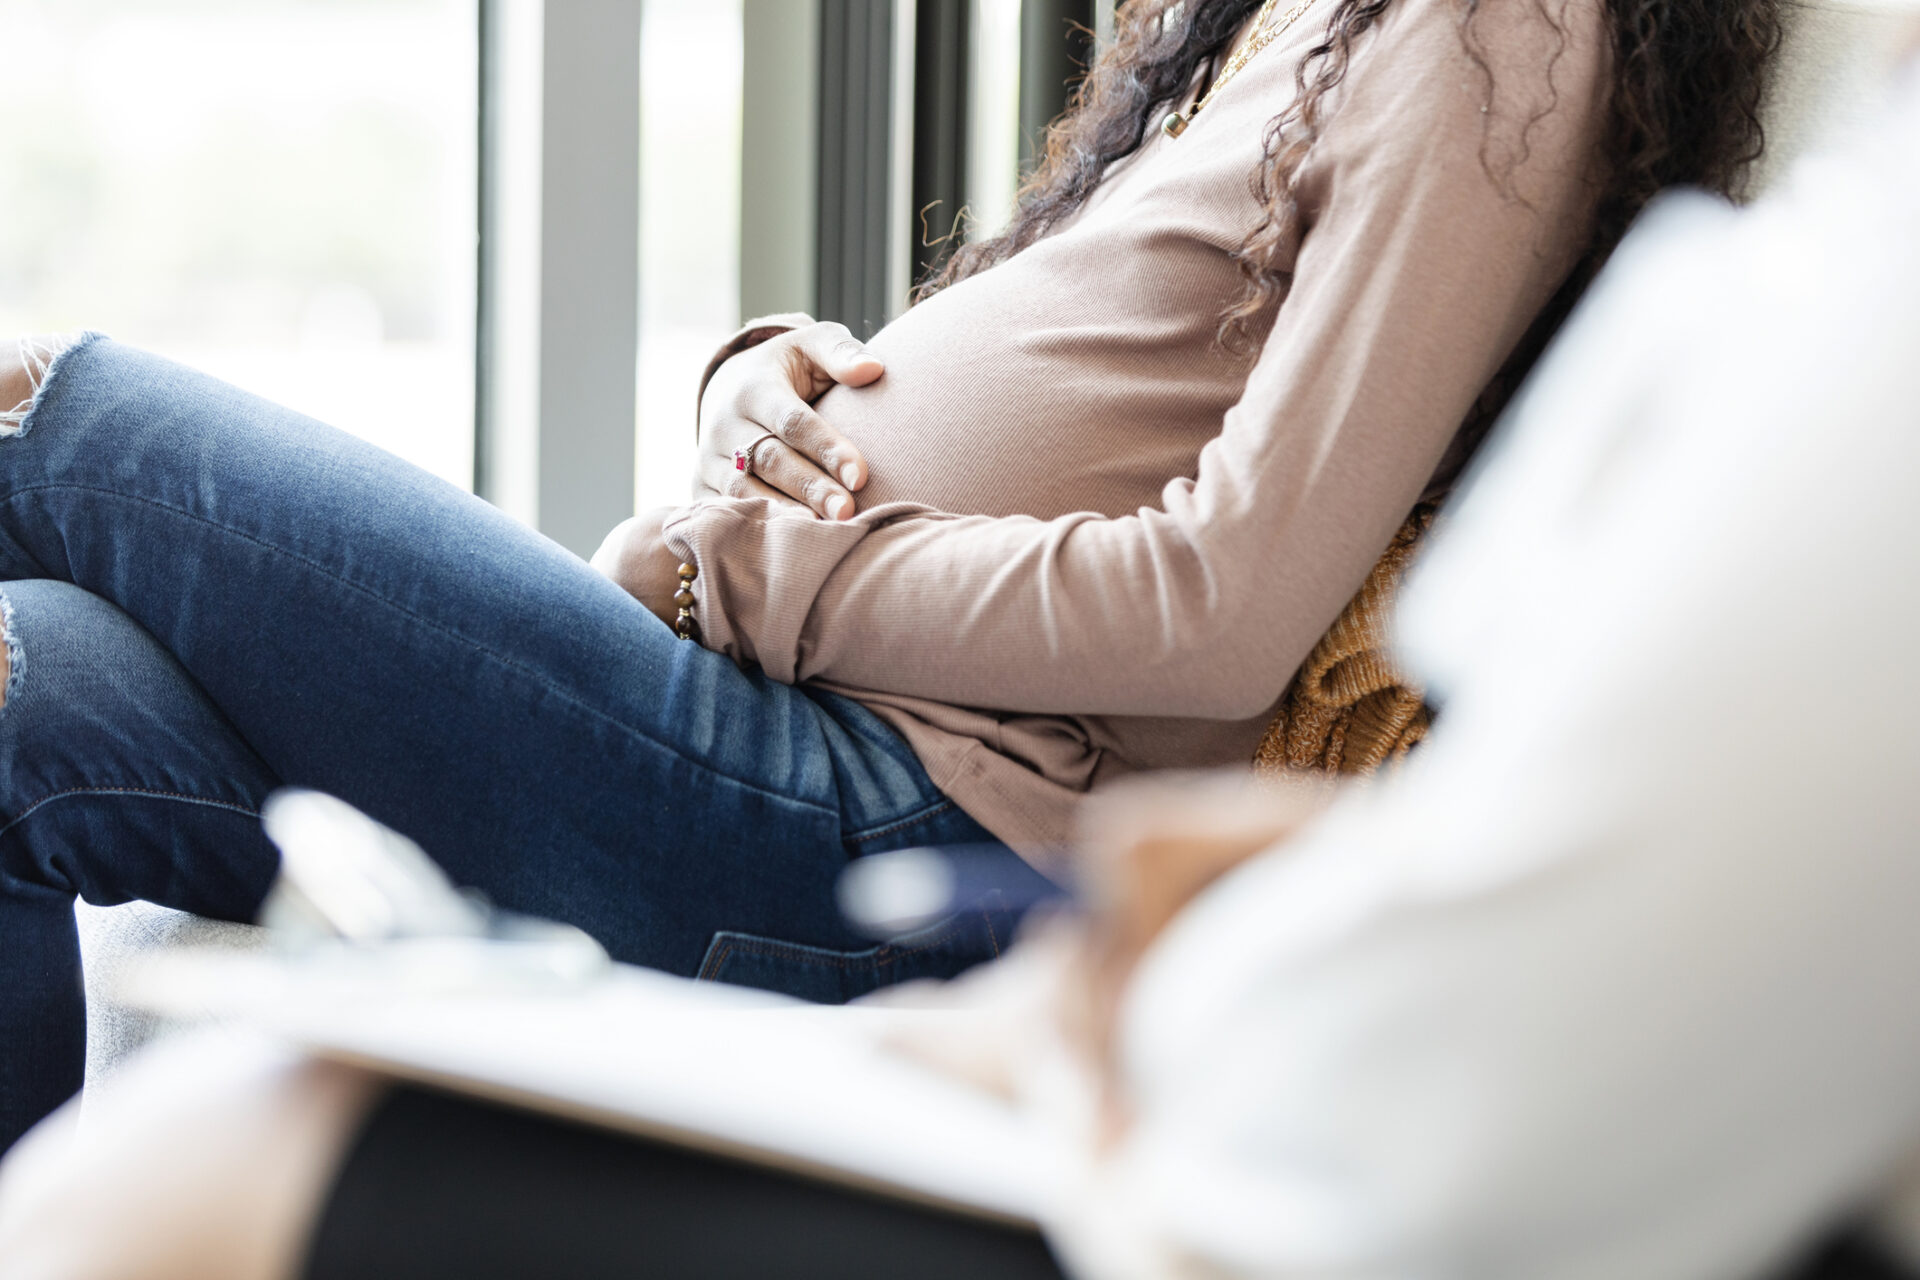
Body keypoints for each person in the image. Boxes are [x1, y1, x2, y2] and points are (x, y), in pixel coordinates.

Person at [4, 32, 1918, 1276]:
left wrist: (770, 578)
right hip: (773, 718)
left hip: (883, 819)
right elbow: (1018, 384)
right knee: (36, 681)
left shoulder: (1500, 34)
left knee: (51, 423)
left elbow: (1227, 599)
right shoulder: (1282, 24)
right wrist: (762, 381)